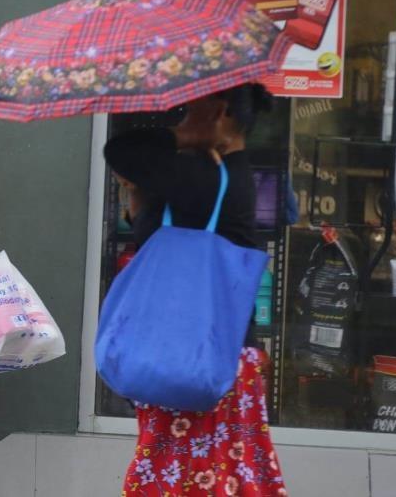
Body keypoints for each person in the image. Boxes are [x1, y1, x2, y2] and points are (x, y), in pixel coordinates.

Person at [104, 84, 288, 496]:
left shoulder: (211, 179)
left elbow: (122, 151)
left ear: (219, 112)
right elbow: (152, 233)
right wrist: (139, 192)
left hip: (202, 359)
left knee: (191, 478)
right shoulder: (211, 179)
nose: (181, 116)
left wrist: (184, 136)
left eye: (192, 109)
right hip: (192, 355)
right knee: (209, 476)